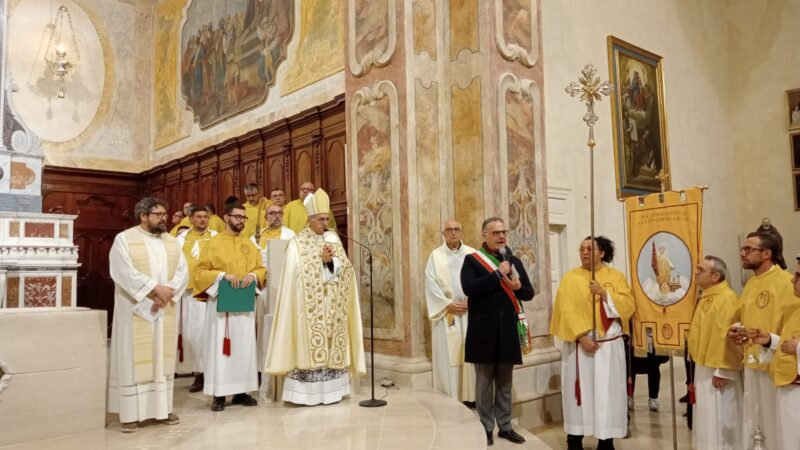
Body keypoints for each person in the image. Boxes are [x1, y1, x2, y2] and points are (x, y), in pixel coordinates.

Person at [264, 188, 365, 405]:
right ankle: (306, 395)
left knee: (332, 347)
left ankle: (334, 391)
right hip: (309, 309)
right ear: (310, 220)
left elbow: (346, 270)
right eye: (321, 219)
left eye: (327, 219)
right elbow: (295, 276)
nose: (325, 223)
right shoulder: (297, 243)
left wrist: (330, 263)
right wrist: (319, 261)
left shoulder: (333, 239)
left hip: (333, 305)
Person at [108, 197, 189, 433]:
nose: (164, 218)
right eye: (158, 214)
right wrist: (155, 289)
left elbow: (183, 272)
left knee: (161, 361)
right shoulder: (124, 239)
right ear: (143, 215)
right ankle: (131, 414)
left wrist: (166, 293)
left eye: (165, 214)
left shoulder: (172, 242)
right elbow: (123, 271)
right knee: (134, 358)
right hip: (136, 309)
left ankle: (161, 410)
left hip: (163, 309)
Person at [550, 236, 635, 450]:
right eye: (581, 249)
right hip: (579, 347)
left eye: (589, 249)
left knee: (607, 395)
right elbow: (564, 312)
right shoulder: (570, 278)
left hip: (608, 347)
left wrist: (605, 294)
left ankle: (605, 441)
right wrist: (580, 337)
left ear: (602, 253)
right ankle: (575, 440)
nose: (584, 252)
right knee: (577, 396)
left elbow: (628, 306)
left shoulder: (616, 277)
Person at [461, 217, 534, 446]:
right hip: (483, 331)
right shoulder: (472, 260)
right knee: (484, 383)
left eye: (503, 232)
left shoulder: (513, 260)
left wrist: (518, 286)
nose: (501, 236)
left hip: (508, 331)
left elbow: (529, 293)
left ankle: (505, 426)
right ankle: (485, 427)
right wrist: (497, 275)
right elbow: (469, 288)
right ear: (485, 235)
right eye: (496, 233)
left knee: (504, 382)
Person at [194, 203, 267, 412]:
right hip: (221, 303)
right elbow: (200, 271)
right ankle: (219, 393)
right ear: (226, 218)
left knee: (244, 347)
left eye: (244, 218)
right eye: (237, 217)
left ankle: (242, 391)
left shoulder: (249, 244)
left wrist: (253, 276)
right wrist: (223, 276)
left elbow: (261, 269)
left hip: (244, 303)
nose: (241, 221)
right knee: (221, 349)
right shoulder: (213, 243)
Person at [727, 232, 792, 445]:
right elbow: (740, 317)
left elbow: (792, 326)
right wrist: (736, 329)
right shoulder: (752, 284)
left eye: (748, 249)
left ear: (767, 253)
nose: (742, 254)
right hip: (752, 361)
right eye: (742, 249)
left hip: (775, 363)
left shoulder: (787, 282)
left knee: (774, 420)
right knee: (754, 418)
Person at [688, 255, 743, 450]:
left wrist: (724, 370)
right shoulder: (707, 295)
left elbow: (728, 335)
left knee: (722, 416)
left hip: (719, 369)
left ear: (715, 276)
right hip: (704, 365)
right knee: (706, 417)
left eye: (701, 270)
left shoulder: (727, 299)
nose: (696, 273)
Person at [424, 219, 476, 407]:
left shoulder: (472, 254)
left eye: (456, 229)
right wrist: (448, 304)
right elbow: (430, 284)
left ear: (461, 231)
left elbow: (482, 281)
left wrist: (472, 301)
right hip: (448, 314)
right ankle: (451, 396)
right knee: (450, 355)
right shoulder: (435, 256)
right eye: (449, 230)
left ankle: (472, 397)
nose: (453, 232)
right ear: (443, 233)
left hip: (471, 313)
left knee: (470, 354)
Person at [753, 258, 800, 448]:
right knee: (786, 439)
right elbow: (789, 344)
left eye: (798, 276)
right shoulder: (796, 309)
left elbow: (795, 346)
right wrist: (770, 340)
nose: (792, 280)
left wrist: (797, 348)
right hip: (788, 385)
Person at [175, 206, 218, 392]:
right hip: (190, 292)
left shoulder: (217, 236)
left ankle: (212, 373)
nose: (202, 220)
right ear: (190, 219)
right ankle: (198, 374)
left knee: (210, 332)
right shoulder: (180, 240)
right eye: (198, 217)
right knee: (192, 333)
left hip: (211, 291)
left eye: (205, 217)